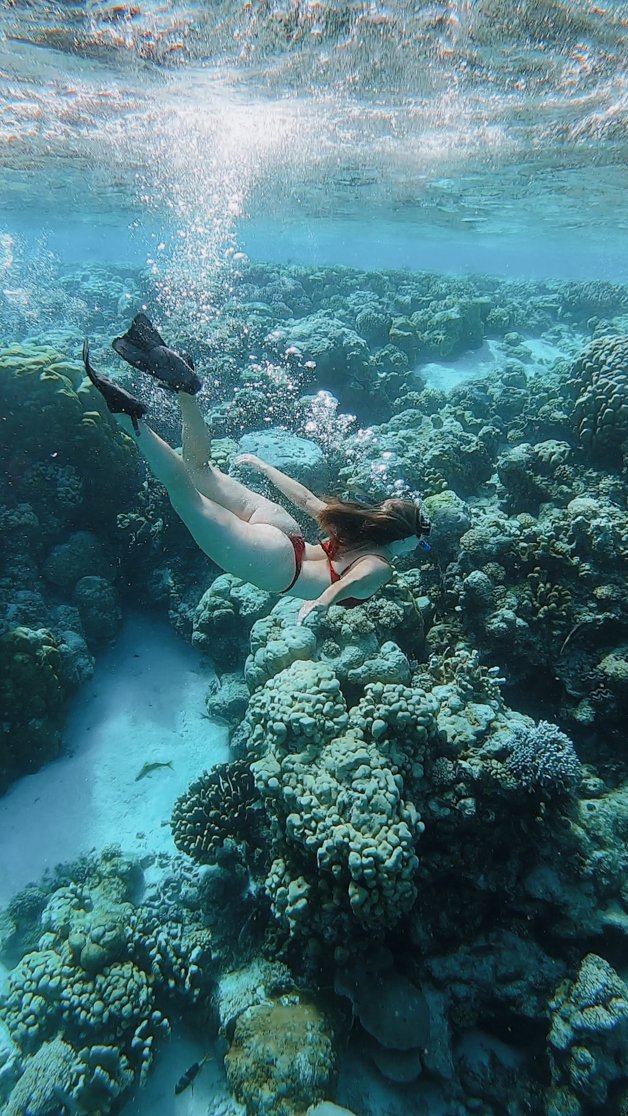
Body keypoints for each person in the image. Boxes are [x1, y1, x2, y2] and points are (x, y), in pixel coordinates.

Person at [83, 314, 431, 623]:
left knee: (199, 468)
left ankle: (185, 391)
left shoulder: (358, 531)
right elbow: (357, 579)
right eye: (420, 543)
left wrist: (265, 467)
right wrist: (322, 602)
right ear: (407, 538)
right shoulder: (382, 564)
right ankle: (130, 418)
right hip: (274, 566)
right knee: (185, 494)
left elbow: (307, 500)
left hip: (286, 531)